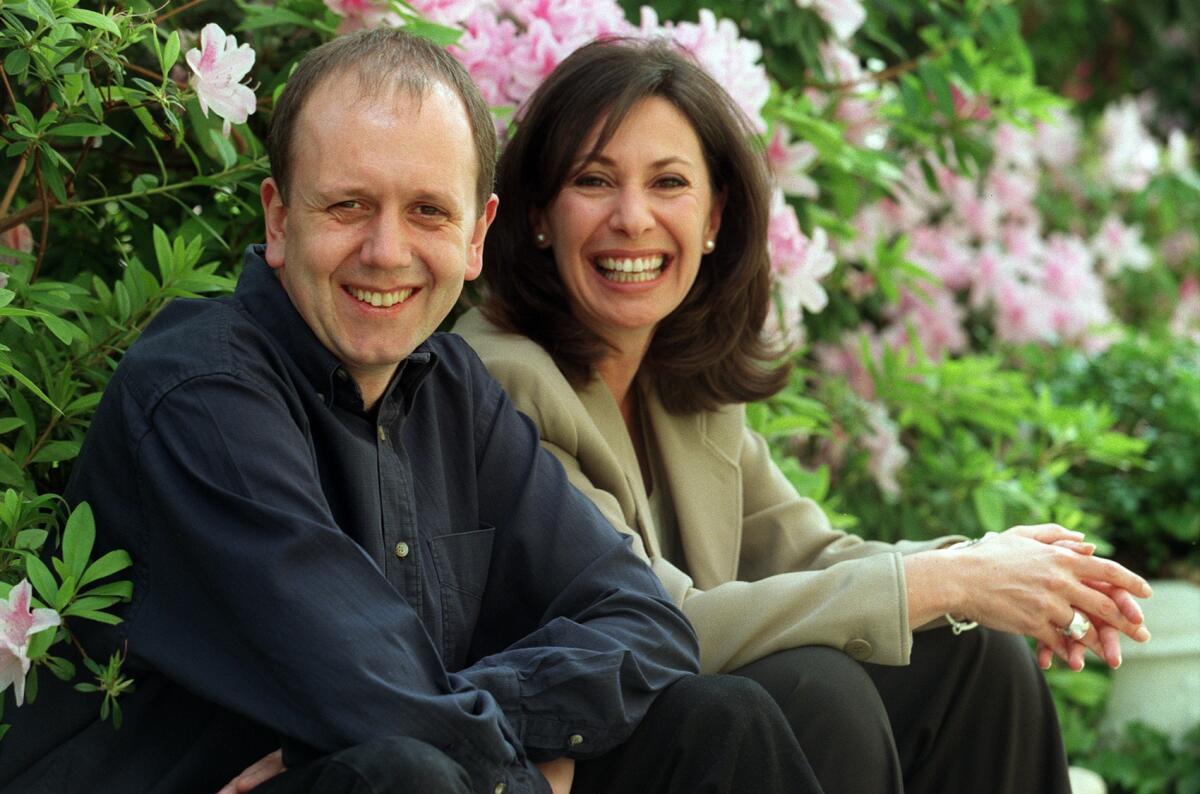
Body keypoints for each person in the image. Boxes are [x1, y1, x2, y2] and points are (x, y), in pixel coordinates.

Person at [0, 30, 824, 794]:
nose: (387, 251)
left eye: (428, 210)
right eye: (348, 206)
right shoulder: (201, 396)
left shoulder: (451, 390)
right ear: (280, 220)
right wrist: (522, 765)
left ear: (476, 236)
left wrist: (471, 717)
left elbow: (643, 623)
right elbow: (366, 689)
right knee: (406, 775)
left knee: (719, 721)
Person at [453, 37, 1155, 793]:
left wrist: (993, 568)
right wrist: (951, 580)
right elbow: (655, 620)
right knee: (819, 694)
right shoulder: (505, 376)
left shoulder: (674, 378)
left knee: (973, 658)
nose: (633, 218)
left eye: (668, 183)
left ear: (714, 215)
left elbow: (812, 556)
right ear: (537, 218)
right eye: (595, 181)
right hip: (571, 756)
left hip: (694, 721)